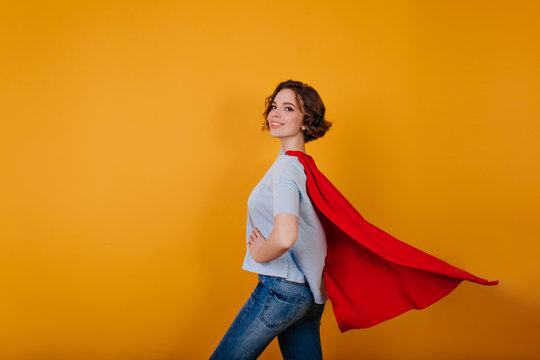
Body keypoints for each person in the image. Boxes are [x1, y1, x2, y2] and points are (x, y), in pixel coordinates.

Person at [209, 80, 332, 360]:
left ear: (306, 121)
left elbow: (286, 236)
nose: (275, 114)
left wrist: (259, 252)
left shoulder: (286, 170)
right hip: (308, 293)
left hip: (281, 290)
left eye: (288, 108)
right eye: (274, 106)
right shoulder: (303, 166)